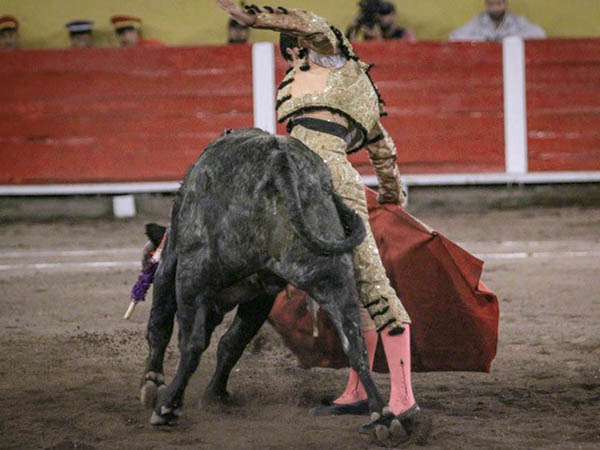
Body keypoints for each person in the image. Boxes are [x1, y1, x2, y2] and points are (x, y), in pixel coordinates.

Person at [216, 1, 431, 446]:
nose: (292, 64)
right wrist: (391, 200)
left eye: (291, 56)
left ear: (298, 50)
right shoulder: (364, 93)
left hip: (303, 176)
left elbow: (312, 24)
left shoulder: (328, 56)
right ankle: (361, 391)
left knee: (365, 283)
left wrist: (253, 16)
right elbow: (384, 154)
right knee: (360, 285)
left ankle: (404, 399)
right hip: (330, 176)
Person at [449, 0, 546, 42]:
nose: (495, 8)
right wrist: (485, 40)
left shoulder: (516, 21)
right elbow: (454, 36)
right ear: (486, 5)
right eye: (491, 4)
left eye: (499, 4)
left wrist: (510, 39)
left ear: (506, 4)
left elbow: (540, 33)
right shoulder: (479, 21)